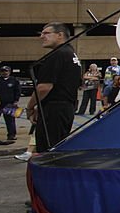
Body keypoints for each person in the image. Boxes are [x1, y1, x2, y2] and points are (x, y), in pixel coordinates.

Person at [26, 22, 82, 154]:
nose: (41, 36)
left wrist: (30, 107)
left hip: (55, 110)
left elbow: (44, 88)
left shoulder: (57, 55)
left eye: (46, 33)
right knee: (57, 148)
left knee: (48, 151)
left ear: (60, 35)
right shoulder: (70, 53)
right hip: (65, 108)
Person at [0, 65, 21, 142]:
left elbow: (17, 91)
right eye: (3, 71)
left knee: (10, 121)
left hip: (10, 103)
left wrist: (16, 100)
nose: (4, 73)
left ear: (9, 72)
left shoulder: (14, 80)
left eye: (6, 71)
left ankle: (11, 135)